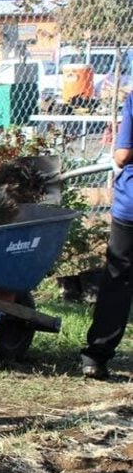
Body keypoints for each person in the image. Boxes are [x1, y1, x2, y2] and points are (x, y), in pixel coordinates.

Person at [82, 89, 133, 379]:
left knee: (118, 277)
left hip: (130, 207)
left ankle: (96, 356)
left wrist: (116, 158)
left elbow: (124, 154)